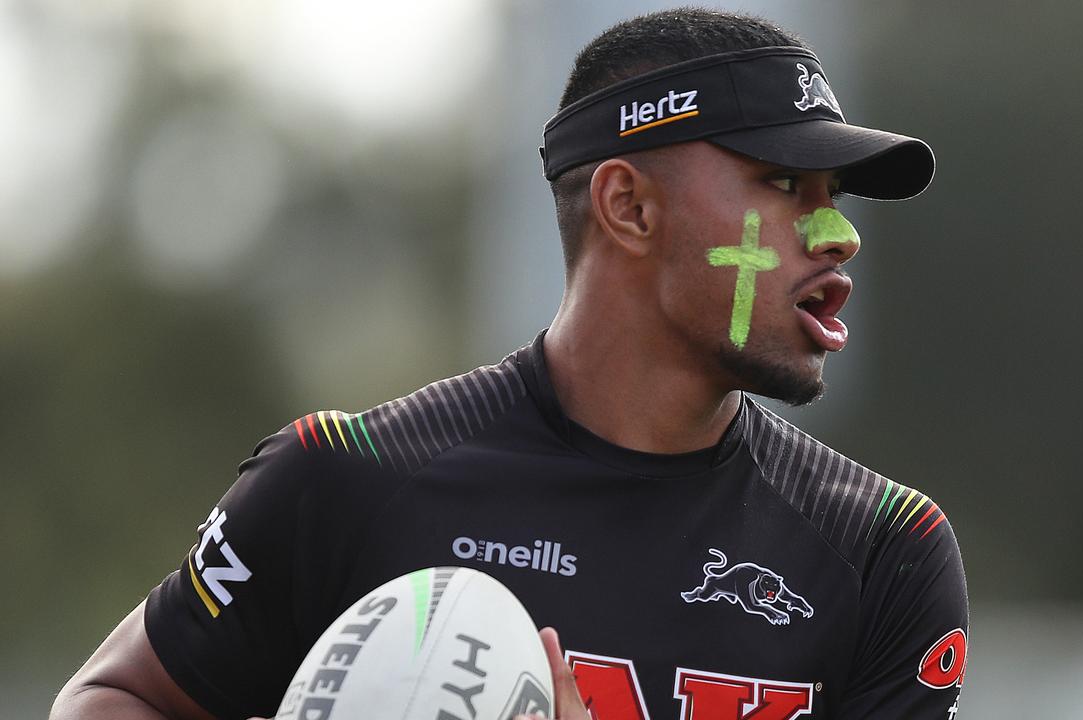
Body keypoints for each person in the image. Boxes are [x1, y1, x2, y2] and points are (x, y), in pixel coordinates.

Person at [51, 7, 968, 720]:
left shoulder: (884, 553)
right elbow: (113, 697)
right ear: (629, 206)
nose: (838, 233)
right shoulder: (344, 478)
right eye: (785, 185)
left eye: (834, 196)